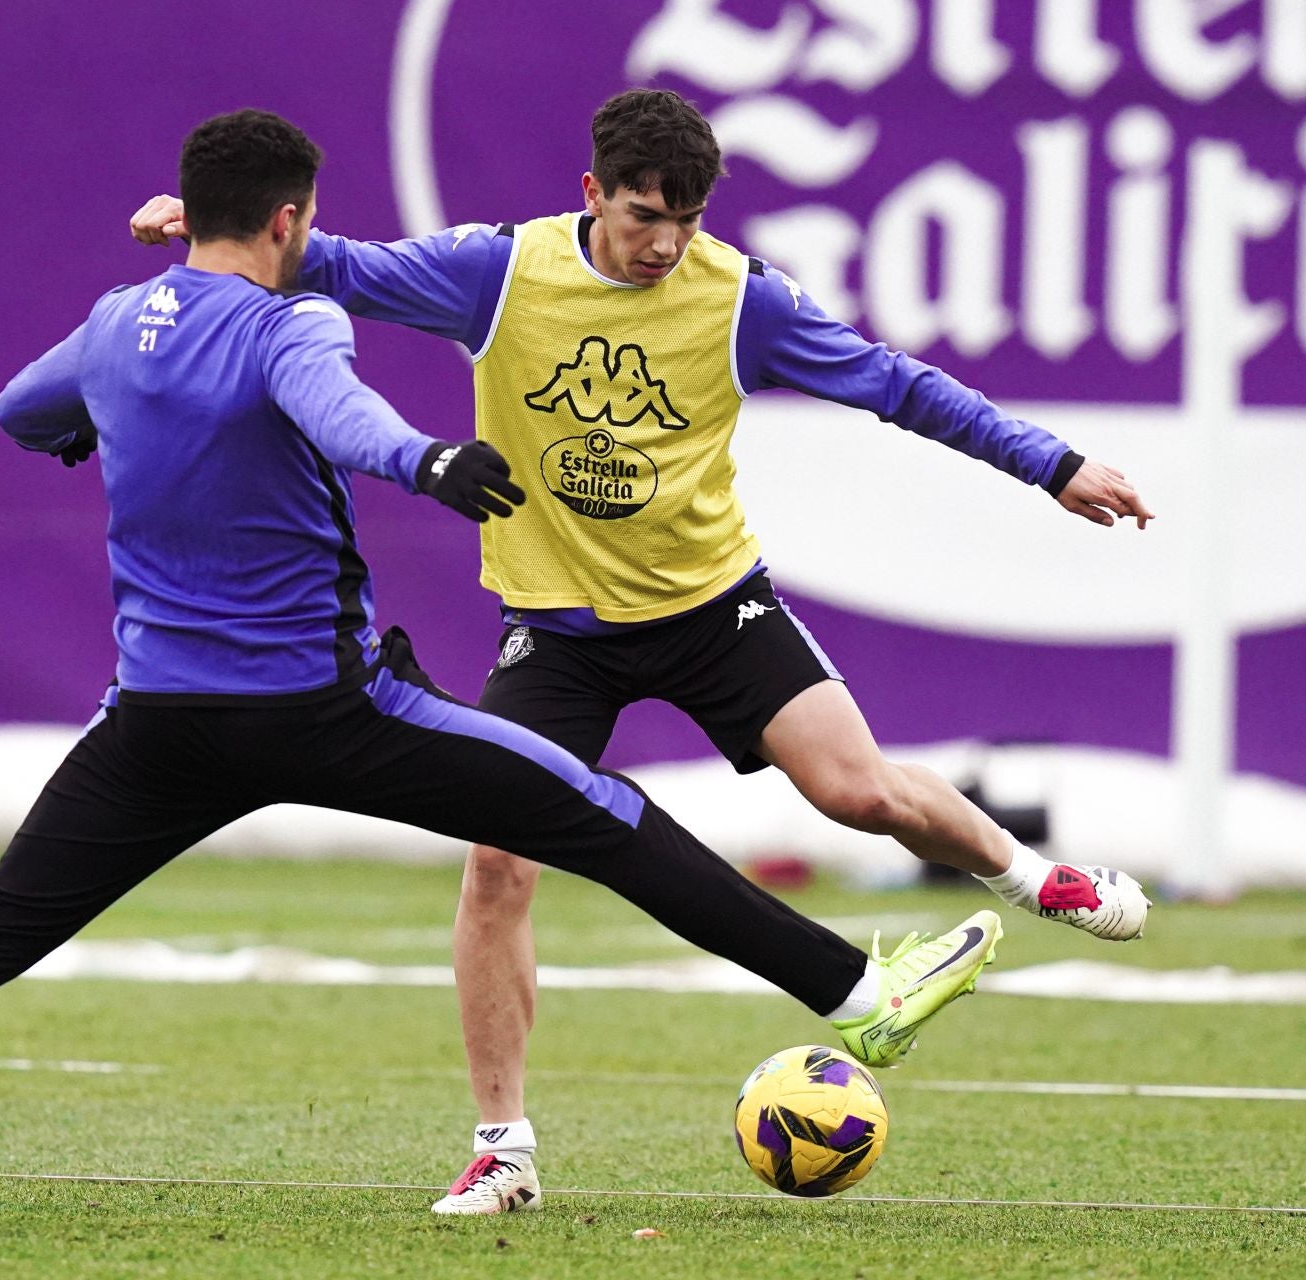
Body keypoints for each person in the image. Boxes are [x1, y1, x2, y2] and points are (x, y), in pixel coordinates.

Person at [0, 108, 1002, 1225]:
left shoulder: (118, 326)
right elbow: (338, 417)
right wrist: (429, 461)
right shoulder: (297, 324)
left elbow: (15, 409)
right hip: (328, 712)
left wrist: (90, 428)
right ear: (290, 220)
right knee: (605, 816)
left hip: (157, 725)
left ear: (195, 207)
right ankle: (860, 999)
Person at [128, 88, 1154, 1216]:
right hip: (556, 632)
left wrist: (1050, 462)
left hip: (713, 607)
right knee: (497, 864)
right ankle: (501, 1148)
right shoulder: (497, 272)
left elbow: (894, 384)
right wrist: (210, 229)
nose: (664, 241)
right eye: (640, 214)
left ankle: (1027, 874)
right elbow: (338, 268)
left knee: (858, 793)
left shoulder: (739, 297)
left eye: (686, 217)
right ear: (592, 195)